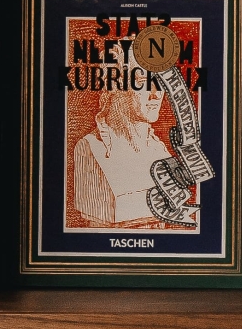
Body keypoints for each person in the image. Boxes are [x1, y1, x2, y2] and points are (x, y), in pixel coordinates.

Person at [72, 85, 174, 226]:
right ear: (116, 86)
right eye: (144, 82)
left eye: (160, 82)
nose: (156, 95)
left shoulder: (159, 150)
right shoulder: (89, 148)